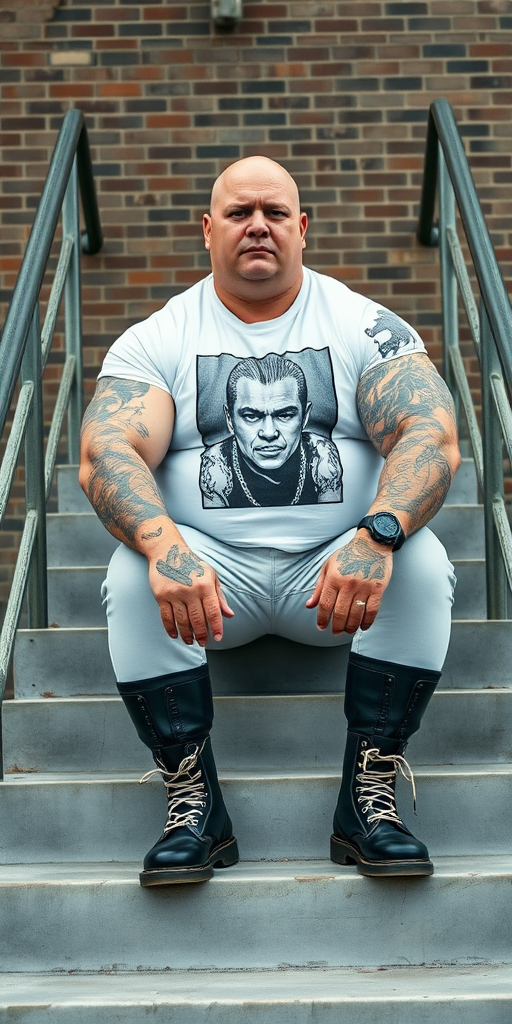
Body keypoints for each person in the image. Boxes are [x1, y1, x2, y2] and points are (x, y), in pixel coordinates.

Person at [79, 155, 460, 887]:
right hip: (213, 590)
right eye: (239, 212)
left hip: (340, 579)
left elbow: (430, 434)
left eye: (275, 212)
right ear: (208, 229)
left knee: (423, 556)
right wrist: (164, 547)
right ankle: (194, 804)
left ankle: (368, 801)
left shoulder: (361, 325)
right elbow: (106, 453)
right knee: (131, 569)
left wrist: (377, 534)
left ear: (303, 228)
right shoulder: (159, 337)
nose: (258, 225)